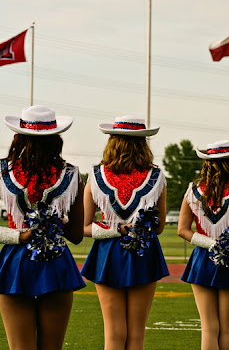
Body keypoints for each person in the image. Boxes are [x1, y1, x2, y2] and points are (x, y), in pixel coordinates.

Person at [0, 105, 85, 350]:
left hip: (14, 263)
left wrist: (21, 235)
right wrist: (56, 223)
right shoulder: (71, 174)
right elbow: (77, 236)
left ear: (18, 137)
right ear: (56, 139)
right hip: (56, 262)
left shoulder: (2, 171)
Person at [81, 116, 169, 350]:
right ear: (143, 144)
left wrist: (114, 229)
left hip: (107, 255)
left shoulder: (96, 175)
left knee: (114, 334)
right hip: (144, 252)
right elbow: (159, 227)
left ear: (112, 142)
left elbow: (84, 227)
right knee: (137, 335)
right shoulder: (156, 176)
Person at [178, 140, 229, 350]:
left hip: (202, 260)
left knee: (209, 328)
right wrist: (224, 244)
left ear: (207, 164)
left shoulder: (192, 191)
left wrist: (210, 243)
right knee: (226, 330)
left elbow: (182, 230)